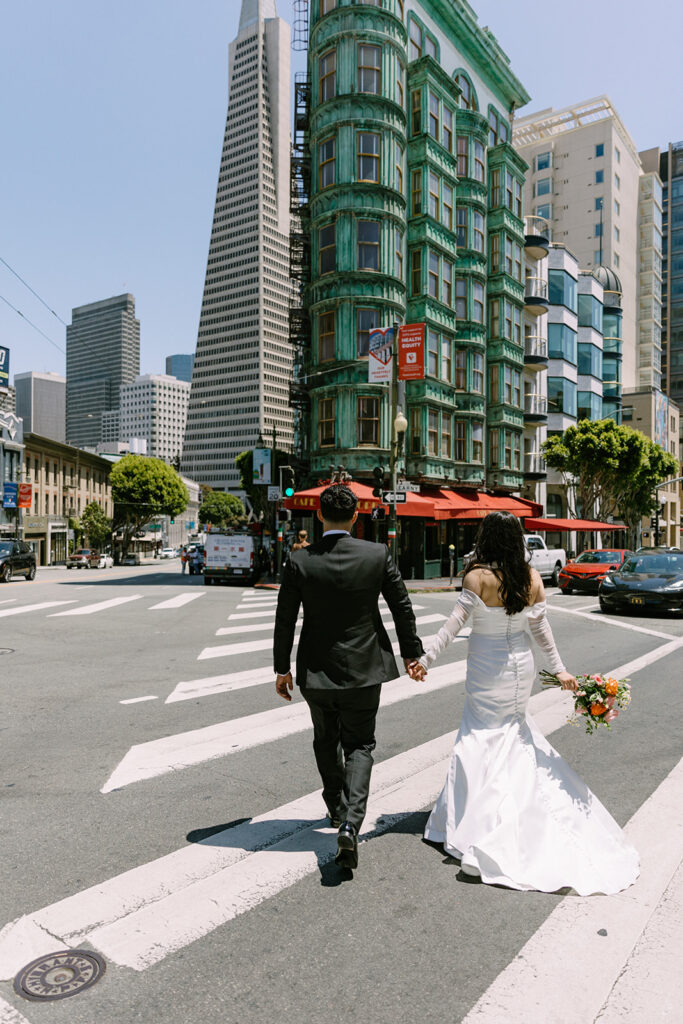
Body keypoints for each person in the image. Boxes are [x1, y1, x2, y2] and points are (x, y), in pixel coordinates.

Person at [406, 511, 639, 896]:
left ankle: (477, 816)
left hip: (487, 668)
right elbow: (541, 630)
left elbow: (453, 626)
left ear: (487, 539)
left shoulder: (477, 577)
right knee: (512, 732)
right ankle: (499, 803)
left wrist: (425, 659)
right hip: (521, 667)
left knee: (479, 734)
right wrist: (560, 670)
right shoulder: (531, 578)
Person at [273, 484, 424, 871]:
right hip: (364, 668)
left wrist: (281, 667)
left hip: (316, 670)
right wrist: (411, 654)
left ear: (319, 516)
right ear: (356, 516)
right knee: (360, 745)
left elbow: (285, 618)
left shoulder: (300, 561)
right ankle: (351, 825)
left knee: (325, 740)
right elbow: (401, 606)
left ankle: (336, 809)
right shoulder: (376, 554)